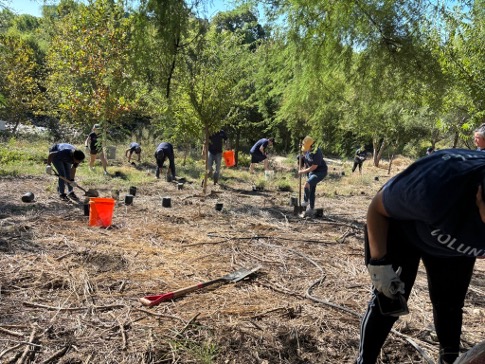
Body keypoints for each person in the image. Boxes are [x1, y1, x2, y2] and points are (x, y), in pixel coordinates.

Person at [356, 149, 485, 364]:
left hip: (454, 245)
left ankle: (450, 360)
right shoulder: (435, 187)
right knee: (388, 301)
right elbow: (377, 208)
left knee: (450, 306)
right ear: (479, 194)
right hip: (402, 229)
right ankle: (364, 361)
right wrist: (379, 265)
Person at [298, 136, 328, 218]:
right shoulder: (306, 150)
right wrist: (301, 165)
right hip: (311, 172)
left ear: (311, 146)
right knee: (311, 190)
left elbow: (314, 167)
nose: (305, 149)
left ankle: (305, 201)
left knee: (307, 184)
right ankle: (311, 209)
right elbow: (302, 157)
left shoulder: (317, 152)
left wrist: (302, 171)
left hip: (320, 172)